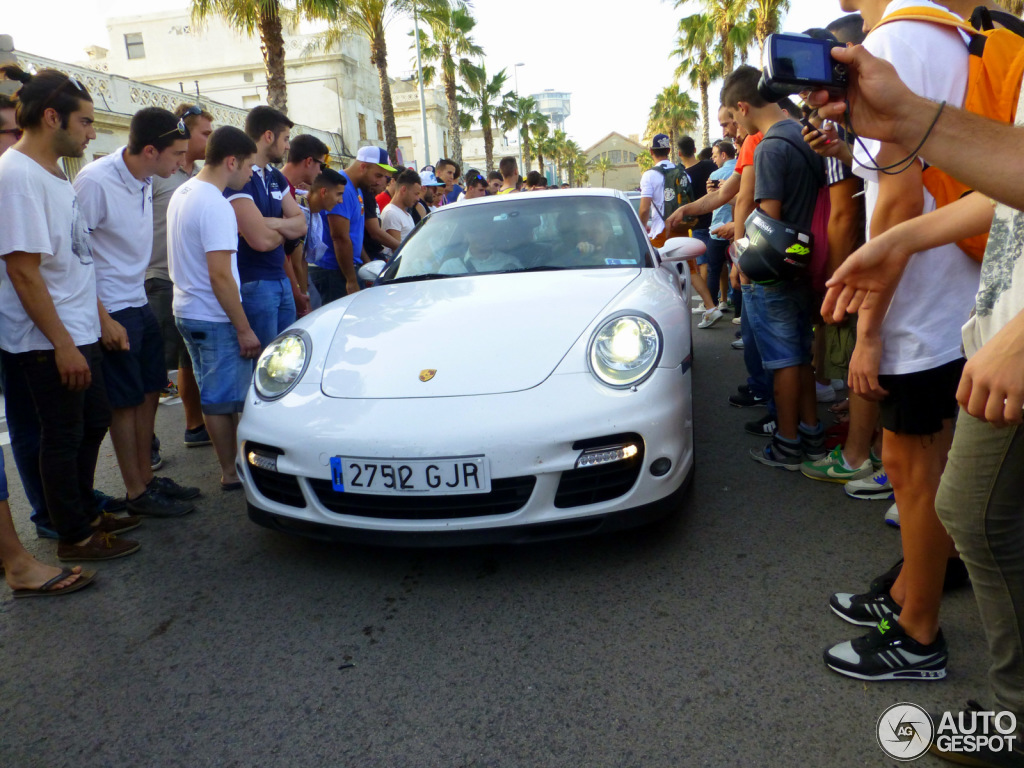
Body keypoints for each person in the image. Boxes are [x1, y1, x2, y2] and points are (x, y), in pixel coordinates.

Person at [811, 37, 1024, 764]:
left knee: (965, 507)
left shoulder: (908, 33)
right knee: (965, 506)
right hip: (987, 319)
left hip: (990, 334)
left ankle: (1004, 709)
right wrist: (900, 238)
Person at [814, 0, 981, 688]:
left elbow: (900, 196)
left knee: (911, 468)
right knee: (929, 465)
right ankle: (910, 592)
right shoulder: (948, 32)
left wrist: (870, 333)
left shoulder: (896, 39)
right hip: (953, 286)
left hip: (917, 299)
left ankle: (918, 632)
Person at [0, 68, 141, 561]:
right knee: (61, 436)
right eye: (84, 122)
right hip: (47, 340)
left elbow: (75, 256)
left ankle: (83, 510)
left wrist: (100, 318)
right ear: (51, 116)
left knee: (93, 420)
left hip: (79, 327)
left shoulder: (55, 173)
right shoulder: (16, 177)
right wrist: (61, 343)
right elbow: (23, 273)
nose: (92, 133)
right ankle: (73, 536)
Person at [73, 107, 199, 518]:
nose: (182, 162)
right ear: (150, 150)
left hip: (138, 297)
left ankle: (145, 478)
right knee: (123, 403)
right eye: (177, 153)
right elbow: (76, 255)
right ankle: (135, 492)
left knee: (148, 391)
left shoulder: (146, 177)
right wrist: (102, 318)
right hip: (111, 307)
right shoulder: (95, 182)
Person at [721, 65, 827, 470]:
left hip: (775, 271)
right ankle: (812, 436)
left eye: (733, 116)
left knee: (782, 361)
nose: (734, 127)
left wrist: (740, 259)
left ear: (743, 106)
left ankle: (785, 443)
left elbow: (768, 220)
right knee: (800, 355)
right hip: (806, 263)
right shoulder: (805, 134)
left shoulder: (768, 147)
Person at [169, 125, 261, 490]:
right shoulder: (216, 204)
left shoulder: (184, 191)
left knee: (213, 391)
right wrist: (243, 327)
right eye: (249, 165)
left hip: (188, 308)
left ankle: (231, 467)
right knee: (223, 399)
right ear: (232, 160)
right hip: (212, 312)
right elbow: (220, 276)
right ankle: (231, 471)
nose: (252, 174)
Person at [146, 104, 214, 452]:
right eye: (205, 132)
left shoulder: (202, 177)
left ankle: (194, 425)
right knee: (155, 368)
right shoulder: (157, 175)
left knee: (190, 359)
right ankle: (146, 441)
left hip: (192, 281)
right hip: (158, 279)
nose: (210, 139)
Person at [226, 106, 307, 348]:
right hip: (254, 284)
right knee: (264, 365)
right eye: (285, 139)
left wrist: (271, 224)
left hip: (280, 279)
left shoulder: (275, 176)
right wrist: (284, 229)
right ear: (268, 136)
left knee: (286, 361)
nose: (288, 146)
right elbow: (258, 241)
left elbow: (302, 224)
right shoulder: (238, 174)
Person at [642, 133, 722, 327]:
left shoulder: (650, 175)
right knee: (691, 269)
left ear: (651, 151)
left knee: (655, 271)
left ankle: (665, 315)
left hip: (661, 231)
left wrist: (642, 226)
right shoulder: (683, 172)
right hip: (681, 227)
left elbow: (644, 208)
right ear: (669, 151)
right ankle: (711, 307)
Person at [310, 146, 396, 303]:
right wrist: (351, 280)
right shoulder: (342, 187)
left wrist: (365, 262)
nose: (378, 181)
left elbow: (354, 235)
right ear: (363, 166)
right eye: (377, 175)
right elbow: (340, 237)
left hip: (347, 269)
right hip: (334, 272)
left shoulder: (357, 189)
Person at [280, 133, 329, 317]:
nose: (321, 171)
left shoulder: (288, 189)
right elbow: (283, 248)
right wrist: (298, 292)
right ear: (309, 161)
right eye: (321, 165)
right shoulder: (278, 185)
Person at [295, 169, 346, 311]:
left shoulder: (311, 211)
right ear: (323, 192)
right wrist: (303, 295)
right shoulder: (301, 210)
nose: (341, 201)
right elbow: (297, 260)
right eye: (339, 194)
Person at [678, 135, 718, 305]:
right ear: (695, 149)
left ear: (679, 154)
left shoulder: (682, 176)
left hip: (698, 223)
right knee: (717, 262)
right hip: (717, 218)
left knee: (703, 264)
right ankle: (721, 298)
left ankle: (707, 302)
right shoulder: (710, 165)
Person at [705, 140, 737, 309]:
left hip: (719, 227)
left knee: (714, 269)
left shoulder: (716, 175)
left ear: (724, 155)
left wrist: (711, 192)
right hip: (741, 227)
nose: (714, 160)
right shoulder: (744, 169)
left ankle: (712, 307)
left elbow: (710, 202)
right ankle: (738, 312)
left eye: (715, 156)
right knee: (738, 268)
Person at [380, 169, 421, 257]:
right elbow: (396, 253)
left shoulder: (407, 214)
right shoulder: (391, 213)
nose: (418, 198)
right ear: (403, 190)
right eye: (416, 194)